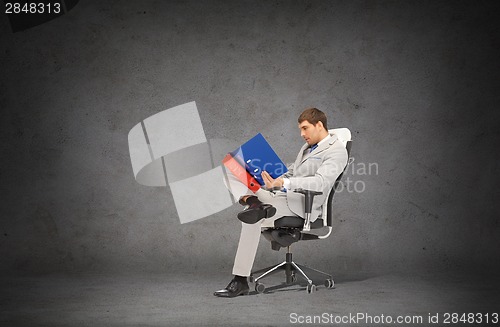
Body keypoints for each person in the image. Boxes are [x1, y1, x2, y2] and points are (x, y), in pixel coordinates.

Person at [214, 108, 348, 297]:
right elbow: (293, 172)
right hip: (281, 196)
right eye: (300, 130)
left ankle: (240, 280)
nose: (302, 134)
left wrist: (284, 183)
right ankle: (254, 203)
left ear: (319, 125)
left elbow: (321, 181)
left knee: (251, 219)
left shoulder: (337, 151)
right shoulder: (308, 147)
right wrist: (271, 181)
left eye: (305, 128)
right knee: (231, 168)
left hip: (302, 206)